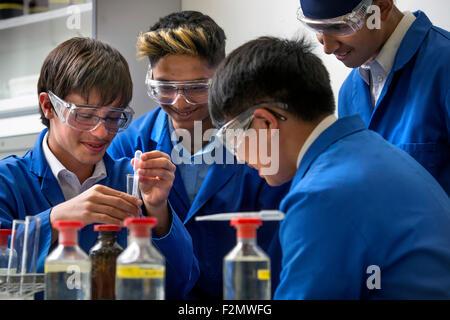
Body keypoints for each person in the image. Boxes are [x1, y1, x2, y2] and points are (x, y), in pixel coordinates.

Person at [208, 36, 450, 299]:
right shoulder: (371, 152)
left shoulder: (321, 196)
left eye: (232, 139)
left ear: (266, 123)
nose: (240, 157)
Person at [108, 11, 290, 299]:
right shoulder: (128, 146)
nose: (180, 102)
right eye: (165, 88)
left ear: (222, 76)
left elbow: (283, 248)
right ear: (150, 80)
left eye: (197, 88)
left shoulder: (262, 138)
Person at [0, 37, 198, 299]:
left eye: (114, 117)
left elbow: (180, 284)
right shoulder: (8, 180)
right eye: (84, 115)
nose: (102, 131)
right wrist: (56, 219)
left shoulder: (133, 180)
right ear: (49, 106)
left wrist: (158, 209)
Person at [297, 0, 450, 194]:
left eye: (339, 26)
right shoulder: (350, 92)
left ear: (382, 7)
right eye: (316, 28)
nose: (327, 47)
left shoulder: (444, 66)